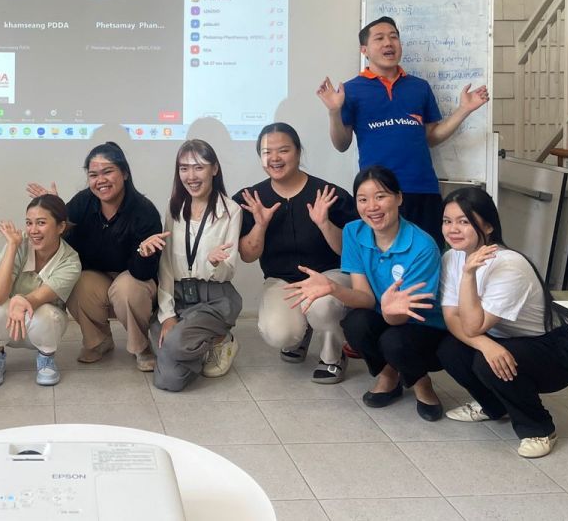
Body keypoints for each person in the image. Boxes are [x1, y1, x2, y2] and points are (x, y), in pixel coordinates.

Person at [285, 166, 447, 420]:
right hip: (383, 312)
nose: (372, 207)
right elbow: (366, 298)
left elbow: (407, 315)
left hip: (421, 324)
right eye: (363, 199)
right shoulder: (354, 231)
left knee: (393, 342)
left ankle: (421, 382)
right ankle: (388, 374)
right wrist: (333, 288)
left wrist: (389, 311)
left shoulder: (423, 246)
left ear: (399, 198)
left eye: (381, 196)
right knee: (355, 324)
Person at [316, 15, 490, 247]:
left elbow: (431, 137)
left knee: (428, 255)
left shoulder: (419, 87)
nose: (388, 43)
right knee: (382, 258)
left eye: (393, 37)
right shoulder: (350, 90)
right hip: (379, 195)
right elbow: (341, 144)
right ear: (364, 50)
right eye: (379, 38)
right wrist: (334, 112)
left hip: (423, 188)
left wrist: (464, 109)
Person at [436, 187, 568, 458]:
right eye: (447, 221)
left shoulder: (509, 265)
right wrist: (486, 345)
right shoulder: (451, 257)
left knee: (487, 361)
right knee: (449, 349)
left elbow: (472, 326)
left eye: (464, 221)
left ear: (488, 226)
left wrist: (468, 276)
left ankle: (539, 428)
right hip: (502, 338)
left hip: (554, 352)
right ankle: (493, 406)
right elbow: (451, 318)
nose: (452, 229)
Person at [233, 123, 356, 384]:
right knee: (280, 333)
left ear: (298, 152)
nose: (275, 158)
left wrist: (324, 223)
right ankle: (300, 334)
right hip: (283, 280)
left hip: (329, 276)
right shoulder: (251, 198)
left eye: (283, 150)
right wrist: (260, 225)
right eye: (267, 152)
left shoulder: (329, 195)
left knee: (323, 305)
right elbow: (248, 256)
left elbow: (349, 253)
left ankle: (333, 357)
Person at [28, 142, 162, 371]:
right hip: (96, 277)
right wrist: (55, 214)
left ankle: (141, 347)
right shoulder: (82, 202)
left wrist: (144, 254)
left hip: (134, 278)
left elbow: (144, 272)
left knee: (126, 288)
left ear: (125, 173)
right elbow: (64, 243)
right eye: (93, 175)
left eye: (107, 171)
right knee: (75, 280)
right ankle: (98, 342)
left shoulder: (144, 211)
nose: (100, 180)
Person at [138, 139, 242, 391]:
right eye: (184, 168)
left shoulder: (231, 211)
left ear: (214, 169)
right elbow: (166, 265)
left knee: (173, 344)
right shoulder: (174, 208)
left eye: (199, 167)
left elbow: (228, 270)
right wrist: (167, 316)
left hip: (215, 298)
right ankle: (202, 345)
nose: (191, 176)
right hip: (178, 297)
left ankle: (221, 339)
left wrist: (214, 262)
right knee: (168, 381)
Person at [0, 194, 82, 387]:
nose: (33, 230)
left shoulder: (70, 260)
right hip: (10, 321)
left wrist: (22, 301)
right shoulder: (20, 243)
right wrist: (12, 246)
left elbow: (38, 297)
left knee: (48, 313)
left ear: (61, 227)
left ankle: (46, 359)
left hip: (40, 324)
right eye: (29, 223)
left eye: (41, 223)